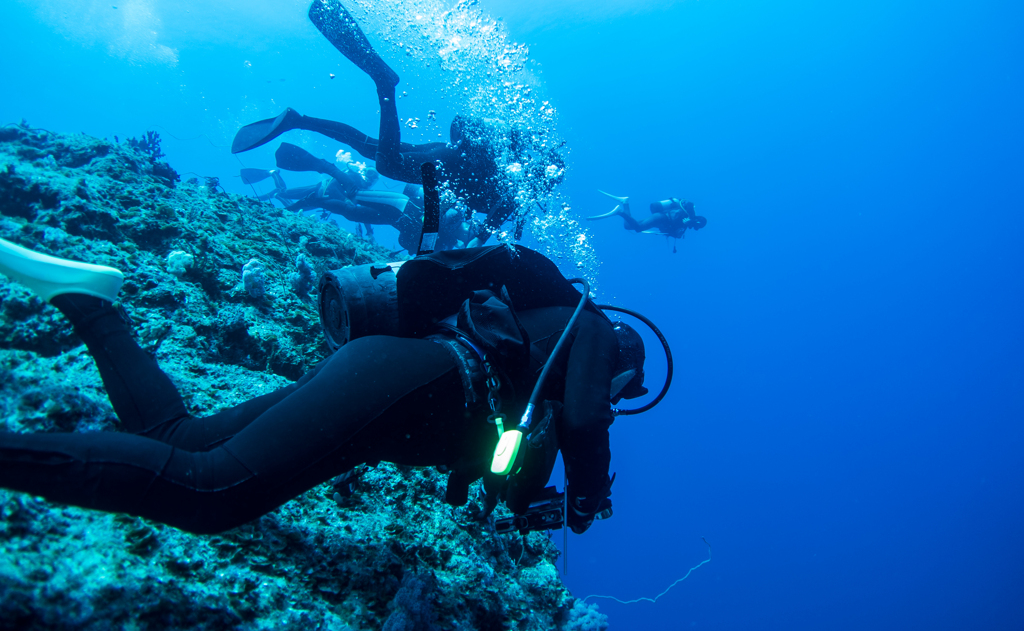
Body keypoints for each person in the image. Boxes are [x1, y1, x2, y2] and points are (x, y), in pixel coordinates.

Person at [0, 236, 646, 535]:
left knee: (178, 438)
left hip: (389, 385)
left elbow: (511, 474)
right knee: (208, 492)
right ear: (620, 357)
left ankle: (93, 305)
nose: (613, 394)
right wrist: (590, 501)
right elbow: (590, 421)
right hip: (408, 383)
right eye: (623, 383)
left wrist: (545, 501)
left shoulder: (541, 370)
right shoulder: (585, 325)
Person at [231, 0, 565, 247]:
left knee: (369, 148)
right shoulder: (509, 193)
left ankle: (299, 120)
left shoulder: (506, 183)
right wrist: (434, 247)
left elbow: (461, 214)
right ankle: (384, 83)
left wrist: (436, 241)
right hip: (449, 163)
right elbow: (476, 232)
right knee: (386, 164)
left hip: (447, 156)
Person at [242, 144, 479, 252]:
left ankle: (311, 200)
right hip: (401, 207)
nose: (466, 238)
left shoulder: (449, 241)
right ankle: (325, 166)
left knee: (351, 211)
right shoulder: (454, 218)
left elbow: (412, 243)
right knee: (355, 195)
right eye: (469, 234)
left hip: (396, 218)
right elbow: (429, 213)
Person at [588, 191, 707, 239]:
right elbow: (690, 204)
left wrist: (677, 234)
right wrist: (691, 219)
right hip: (661, 217)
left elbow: (673, 232)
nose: (694, 228)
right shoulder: (689, 214)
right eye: (697, 226)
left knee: (628, 226)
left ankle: (625, 202)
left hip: (660, 219)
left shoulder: (685, 223)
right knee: (638, 228)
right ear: (698, 222)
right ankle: (620, 212)